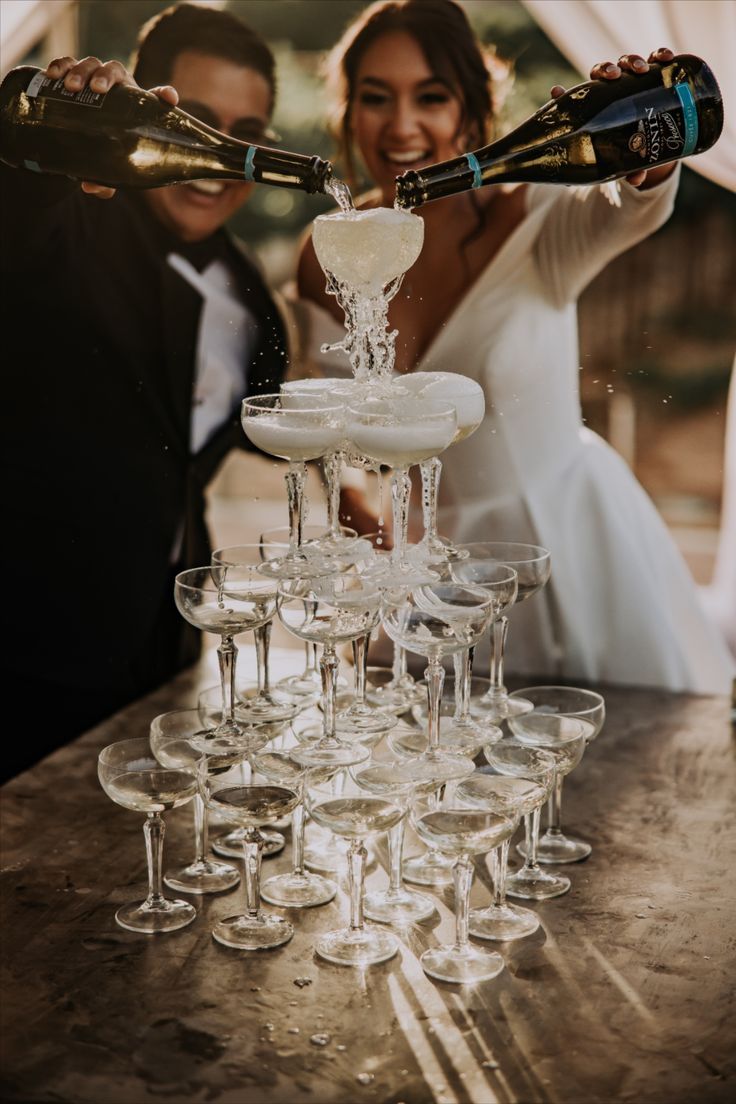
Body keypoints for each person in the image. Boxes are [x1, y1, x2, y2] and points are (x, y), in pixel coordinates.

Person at [297, 0, 734, 694]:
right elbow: (335, 448)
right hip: (428, 581)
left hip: (565, 550)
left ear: (472, 111)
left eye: (430, 97)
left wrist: (645, 159)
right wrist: (379, 556)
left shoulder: (535, 216)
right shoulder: (331, 249)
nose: (402, 125)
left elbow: (634, 208)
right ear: (349, 114)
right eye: (375, 98)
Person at [1, 3, 293, 778]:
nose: (210, 150)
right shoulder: (62, 218)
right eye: (192, 119)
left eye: (242, 132)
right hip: (23, 660)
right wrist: (51, 138)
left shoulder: (252, 294)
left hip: (167, 657)